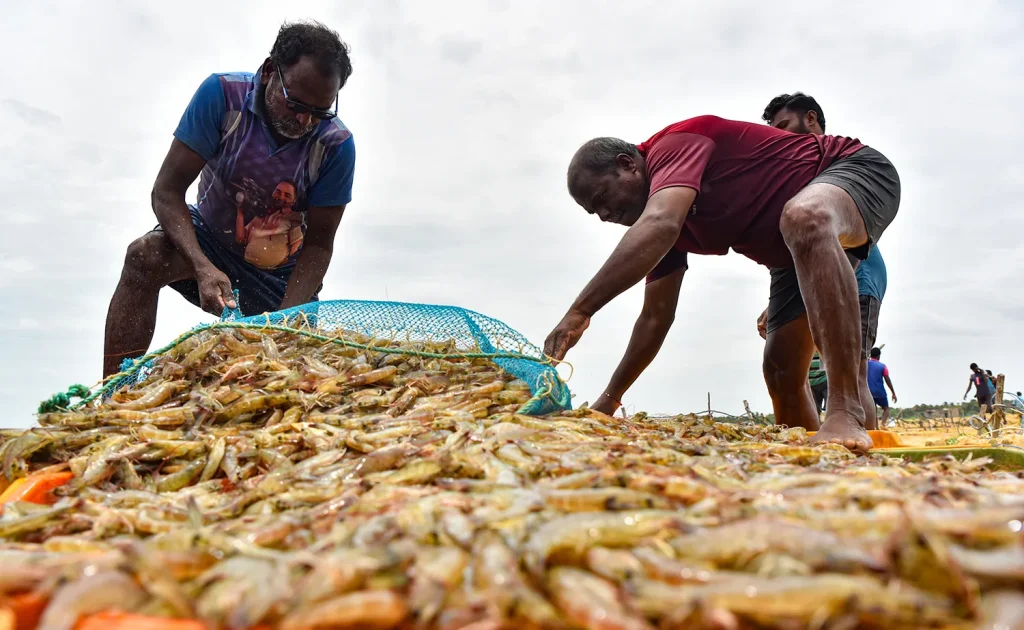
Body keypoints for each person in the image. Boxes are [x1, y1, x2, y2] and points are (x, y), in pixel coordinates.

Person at [543, 113, 900, 453]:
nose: (605, 216)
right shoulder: (664, 228)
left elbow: (660, 222)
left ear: (628, 164)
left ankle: (844, 413)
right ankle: (830, 467)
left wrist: (580, 311)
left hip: (854, 174)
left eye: (603, 198)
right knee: (780, 368)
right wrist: (609, 400)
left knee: (806, 216)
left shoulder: (675, 146)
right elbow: (655, 317)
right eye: (595, 213)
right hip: (792, 253)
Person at [103, 21, 356, 377]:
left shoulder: (335, 146)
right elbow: (167, 190)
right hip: (208, 245)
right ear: (269, 72)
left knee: (286, 377)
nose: (304, 120)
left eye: (320, 112)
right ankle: (112, 395)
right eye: (296, 103)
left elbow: (318, 245)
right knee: (144, 256)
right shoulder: (222, 97)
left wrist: (285, 321)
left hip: (280, 278)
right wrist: (202, 265)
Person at [759, 93, 888, 432]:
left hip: (859, 272)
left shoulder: (838, 163)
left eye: (785, 126)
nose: (780, 136)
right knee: (816, 366)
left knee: (851, 371)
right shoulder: (800, 176)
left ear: (812, 119)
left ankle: (868, 454)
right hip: (830, 273)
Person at [866, 347, 897, 425]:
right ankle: (882, 424)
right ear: (879, 356)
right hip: (880, 392)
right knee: (886, 409)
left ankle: (876, 427)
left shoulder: (865, 364)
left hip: (868, 391)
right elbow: (887, 380)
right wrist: (893, 393)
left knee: (874, 410)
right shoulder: (883, 366)